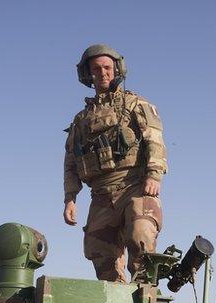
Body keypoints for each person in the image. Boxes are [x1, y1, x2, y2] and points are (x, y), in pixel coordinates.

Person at [62, 44, 168, 282]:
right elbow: (71, 160)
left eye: (107, 67)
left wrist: (154, 174)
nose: (103, 73)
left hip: (135, 186)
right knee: (99, 253)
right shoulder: (81, 120)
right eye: (97, 68)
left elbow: (155, 139)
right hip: (100, 195)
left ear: (117, 69)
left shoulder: (135, 104)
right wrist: (70, 198)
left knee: (141, 238)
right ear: (88, 73)